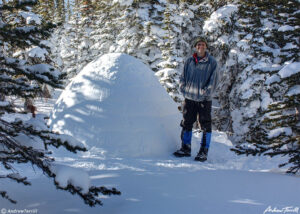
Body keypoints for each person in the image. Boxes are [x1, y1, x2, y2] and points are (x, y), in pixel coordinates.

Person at [173, 37, 218, 162]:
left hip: (204, 100)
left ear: (206, 46)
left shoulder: (212, 62)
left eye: (203, 44)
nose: (201, 46)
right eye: (198, 44)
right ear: (195, 46)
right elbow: (182, 77)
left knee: (205, 126)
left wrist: (206, 92)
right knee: (187, 123)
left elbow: (214, 80)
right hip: (189, 99)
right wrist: (183, 89)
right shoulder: (189, 61)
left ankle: (203, 151)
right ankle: (185, 148)